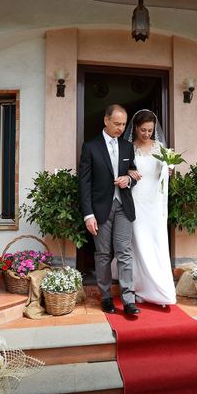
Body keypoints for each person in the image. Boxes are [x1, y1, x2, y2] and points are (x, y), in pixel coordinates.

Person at [78, 104, 140, 315]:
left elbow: (134, 173)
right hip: (100, 209)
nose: (121, 128)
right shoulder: (90, 146)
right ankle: (105, 297)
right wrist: (88, 214)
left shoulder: (127, 146)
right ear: (106, 121)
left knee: (124, 252)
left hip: (124, 206)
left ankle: (129, 299)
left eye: (123, 124)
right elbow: (84, 183)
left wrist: (128, 179)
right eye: (117, 123)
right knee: (103, 254)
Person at [124, 109, 177, 306]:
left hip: (155, 204)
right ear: (135, 128)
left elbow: (164, 174)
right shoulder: (128, 148)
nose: (147, 134)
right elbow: (121, 170)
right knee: (139, 246)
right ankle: (140, 288)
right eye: (143, 130)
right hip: (136, 202)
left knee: (157, 244)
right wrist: (128, 170)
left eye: (150, 130)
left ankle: (162, 291)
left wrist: (169, 170)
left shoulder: (160, 147)